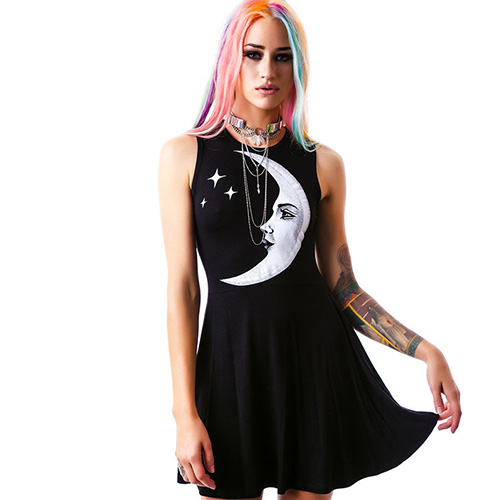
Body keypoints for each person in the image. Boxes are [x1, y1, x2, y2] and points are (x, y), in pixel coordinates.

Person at [158, 1, 462, 499]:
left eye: (283, 57)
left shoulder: (323, 164)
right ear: (230, 58)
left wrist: (426, 350)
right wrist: (184, 412)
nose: (267, 71)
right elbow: (184, 289)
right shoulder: (184, 155)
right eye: (253, 54)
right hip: (231, 368)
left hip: (314, 364)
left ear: (298, 66)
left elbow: (344, 289)